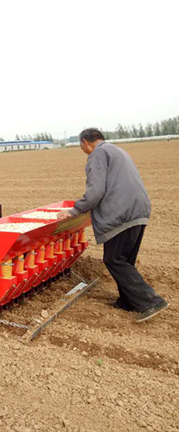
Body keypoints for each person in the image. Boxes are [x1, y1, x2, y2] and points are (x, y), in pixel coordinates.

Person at [57, 128, 169, 322]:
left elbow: (96, 191)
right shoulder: (118, 151)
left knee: (114, 260)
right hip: (139, 210)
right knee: (126, 260)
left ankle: (150, 301)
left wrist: (74, 210)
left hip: (120, 214)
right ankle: (127, 301)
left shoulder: (97, 155)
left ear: (85, 142)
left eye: (80, 146)